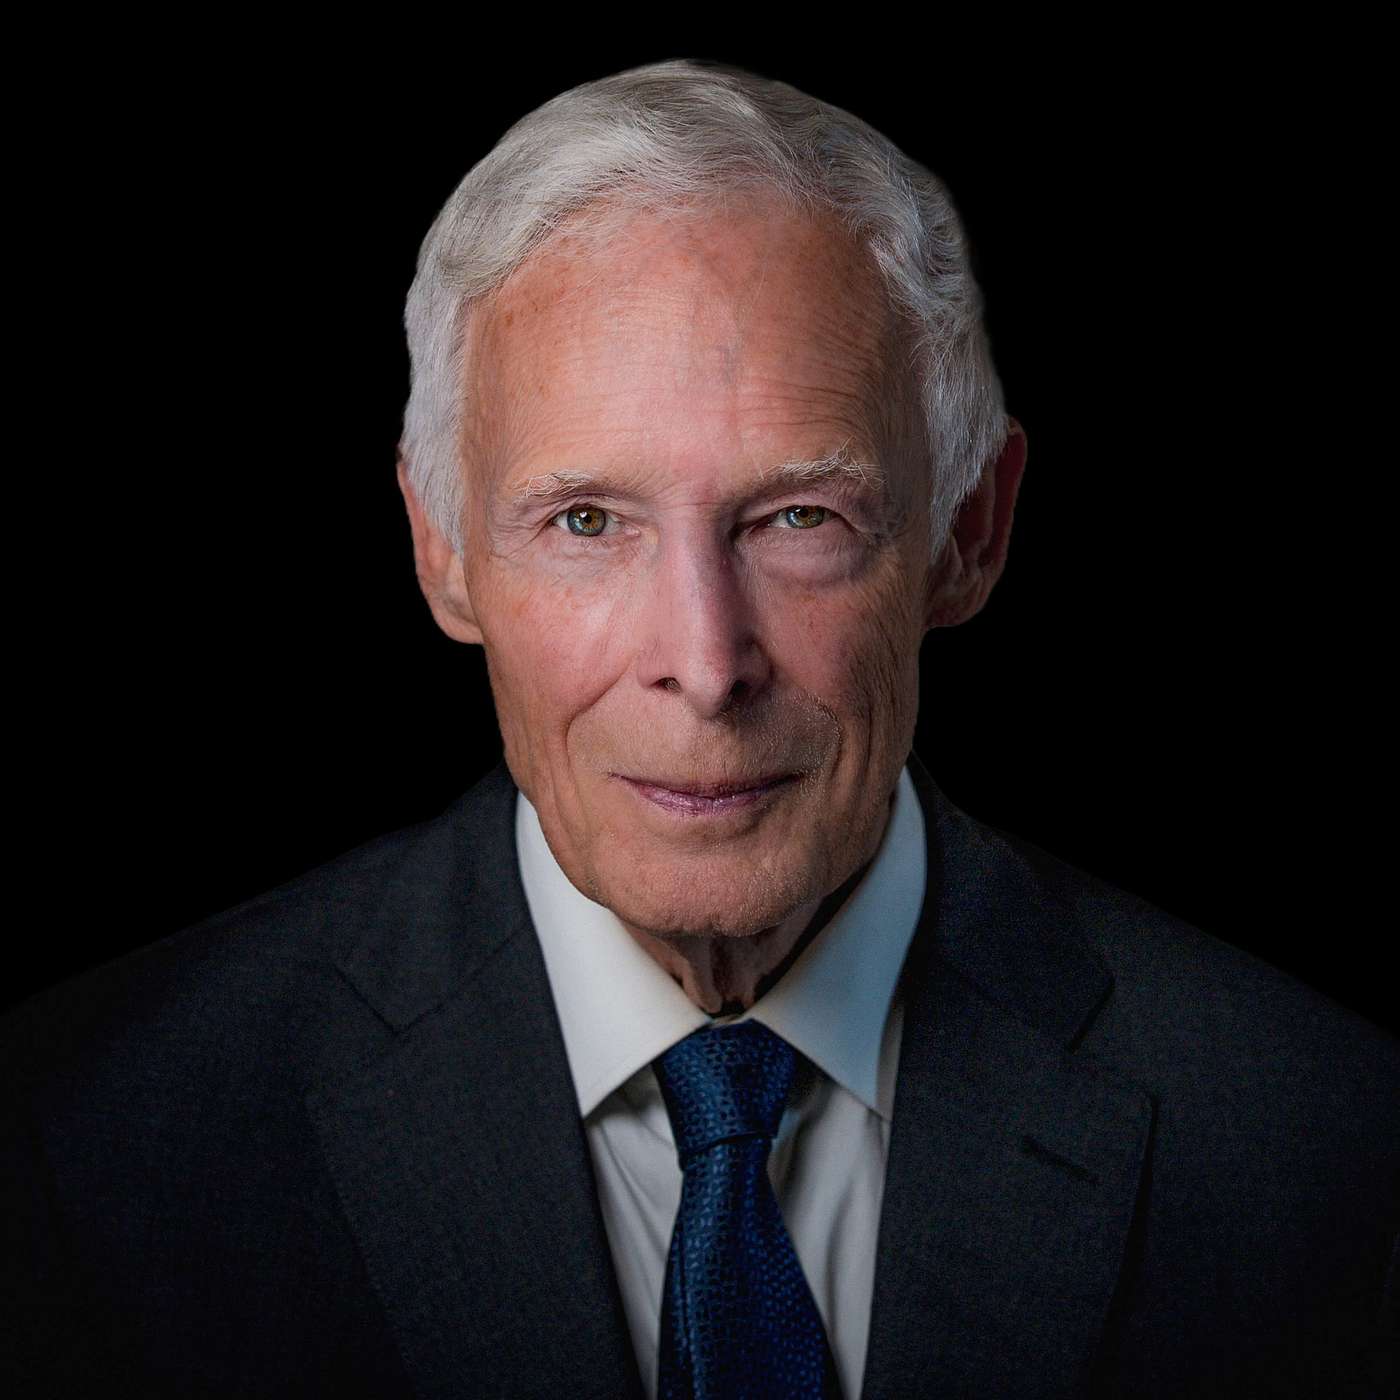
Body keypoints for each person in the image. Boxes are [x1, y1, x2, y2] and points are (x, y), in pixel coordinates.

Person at [3, 59, 1396, 1400]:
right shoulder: (96, 1141)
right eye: (587, 523)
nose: (705, 664)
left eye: (799, 518)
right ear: (441, 551)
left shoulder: (1320, 1146)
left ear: (970, 532)